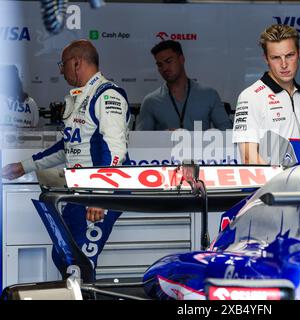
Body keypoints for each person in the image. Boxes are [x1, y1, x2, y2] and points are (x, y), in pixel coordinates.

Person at [1, 39, 131, 277]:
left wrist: (101, 197)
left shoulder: (107, 95)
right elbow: (67, 147)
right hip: (79, 191)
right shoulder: (80, 97)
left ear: (76, 62)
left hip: (101, 193)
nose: (60, 71)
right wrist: (23, 167)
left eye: (62, 65)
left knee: (80, 262)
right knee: (62, 255)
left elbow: (115, 151)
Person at [232, 24, 300, 165]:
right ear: (266, 59)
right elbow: (249, 157)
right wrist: (282, 183)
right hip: (271, 186)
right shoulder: (250, 96)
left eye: (290, 55)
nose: (284, 64)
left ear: (299, 53)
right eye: (276, 58)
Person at [136, 40, 232, 131]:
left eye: (169, 61)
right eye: (160, 65)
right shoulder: (150, 102)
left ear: (181, 59)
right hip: (167, 148)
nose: (164, 68)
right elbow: (140, 142)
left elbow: (227, 131)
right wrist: (163, 136)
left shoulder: (209, 94)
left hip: (202, 148)